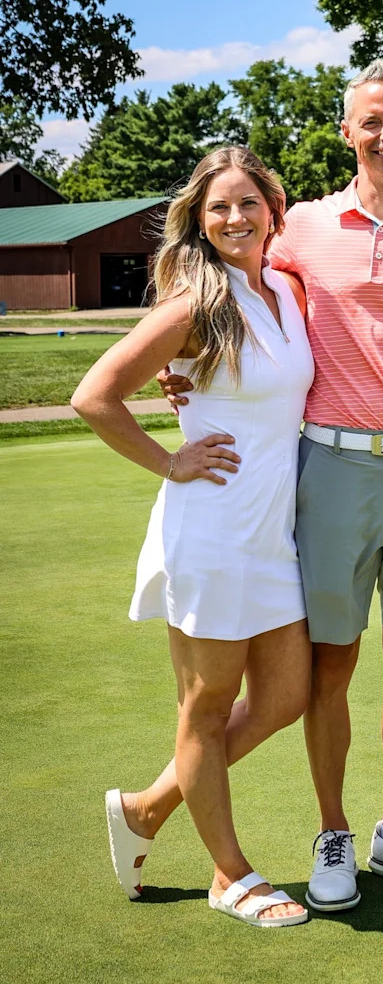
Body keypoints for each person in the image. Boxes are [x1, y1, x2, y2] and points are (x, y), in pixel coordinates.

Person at [162, 60, 383, 912]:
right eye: (371, 121)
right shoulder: (297, 225)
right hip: (332, 466)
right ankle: (334, 833)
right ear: (347, 131)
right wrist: (178, 366)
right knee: (331, 664)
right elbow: (209, 272)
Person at [72, 147, 315, 928]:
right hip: (210, 531)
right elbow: (94, 395)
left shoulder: (284, 287)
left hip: (274, 532)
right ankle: (228, 873)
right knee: (206, 706)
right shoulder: (192, 304)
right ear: (198, 221)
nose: (235, 218)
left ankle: (146, 806)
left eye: (248, 203)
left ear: (274, 208)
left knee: (284, 697)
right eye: (218, 207)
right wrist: (170, 461)